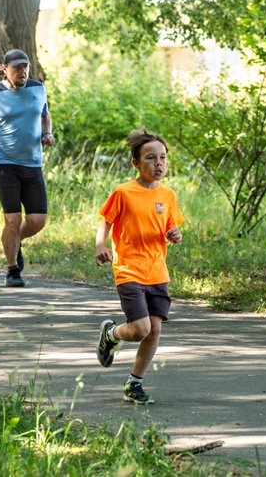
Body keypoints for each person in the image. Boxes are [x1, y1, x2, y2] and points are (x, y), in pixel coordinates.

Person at [94, 128, 185, 404]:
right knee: (140, 330)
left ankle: (134, 383)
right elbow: (106, 220)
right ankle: (111, 334)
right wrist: (101, 244)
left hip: (157, 271)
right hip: (129, 270)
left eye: (163, 158)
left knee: (153, 331)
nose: (159, 163)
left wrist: (175, 235)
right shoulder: (124, 192)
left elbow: (171, 228)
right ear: (136, 163)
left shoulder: (168, 195)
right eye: (150, 158)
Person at [0, 49, 54, 287]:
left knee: (37, 220)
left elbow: (45, 114)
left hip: (32, 163)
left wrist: (47, 133)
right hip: (4, 164)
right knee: (13, 219)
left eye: (25, 66)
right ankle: (13, 270)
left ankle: (15, 242)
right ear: (5, 69)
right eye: (17, 67)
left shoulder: (38, 89)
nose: (23, 71)